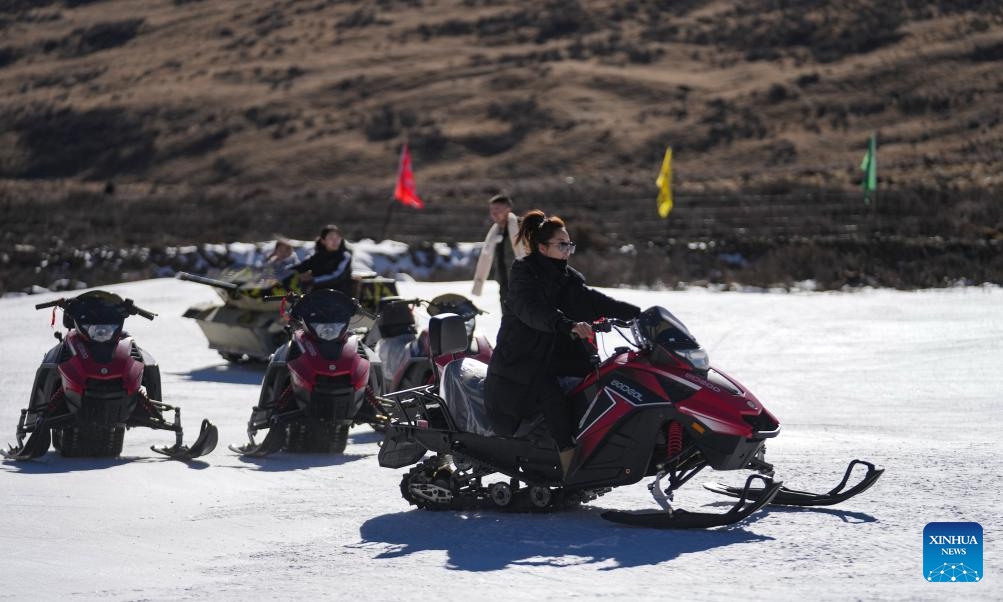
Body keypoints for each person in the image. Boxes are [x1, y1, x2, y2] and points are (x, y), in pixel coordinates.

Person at [483, 210, 640, 477]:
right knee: (548, 390)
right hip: (522, 361)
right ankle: (568, 459)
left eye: (570, 244)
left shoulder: (566, 278)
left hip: (552, 353)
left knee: (598, 376)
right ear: (543, 247)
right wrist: (566, 325)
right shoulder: (524, 276)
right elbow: (533, 311)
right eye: (562, 244)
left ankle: (600, 446)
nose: (568, 250)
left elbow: (593, 301)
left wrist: (637, 314)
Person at [471, 194, 526, 308]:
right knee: (507, 316)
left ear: (508, 209)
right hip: (504, 281)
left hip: (522, 281)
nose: (494, 212)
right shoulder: (494, 232)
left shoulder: (520, 226)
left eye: (498, 208)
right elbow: (486, 257)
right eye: (492, 209)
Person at [291, 225, 354, 297]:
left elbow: (337, 276)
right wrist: (299, 275)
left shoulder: (345, 256)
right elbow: (300, 268)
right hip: (318, 296)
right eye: (331, 238)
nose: (335, 241)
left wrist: (313, 280)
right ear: (323, 241)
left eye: (337, 238)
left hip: (340, 297)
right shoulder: (317, 257)